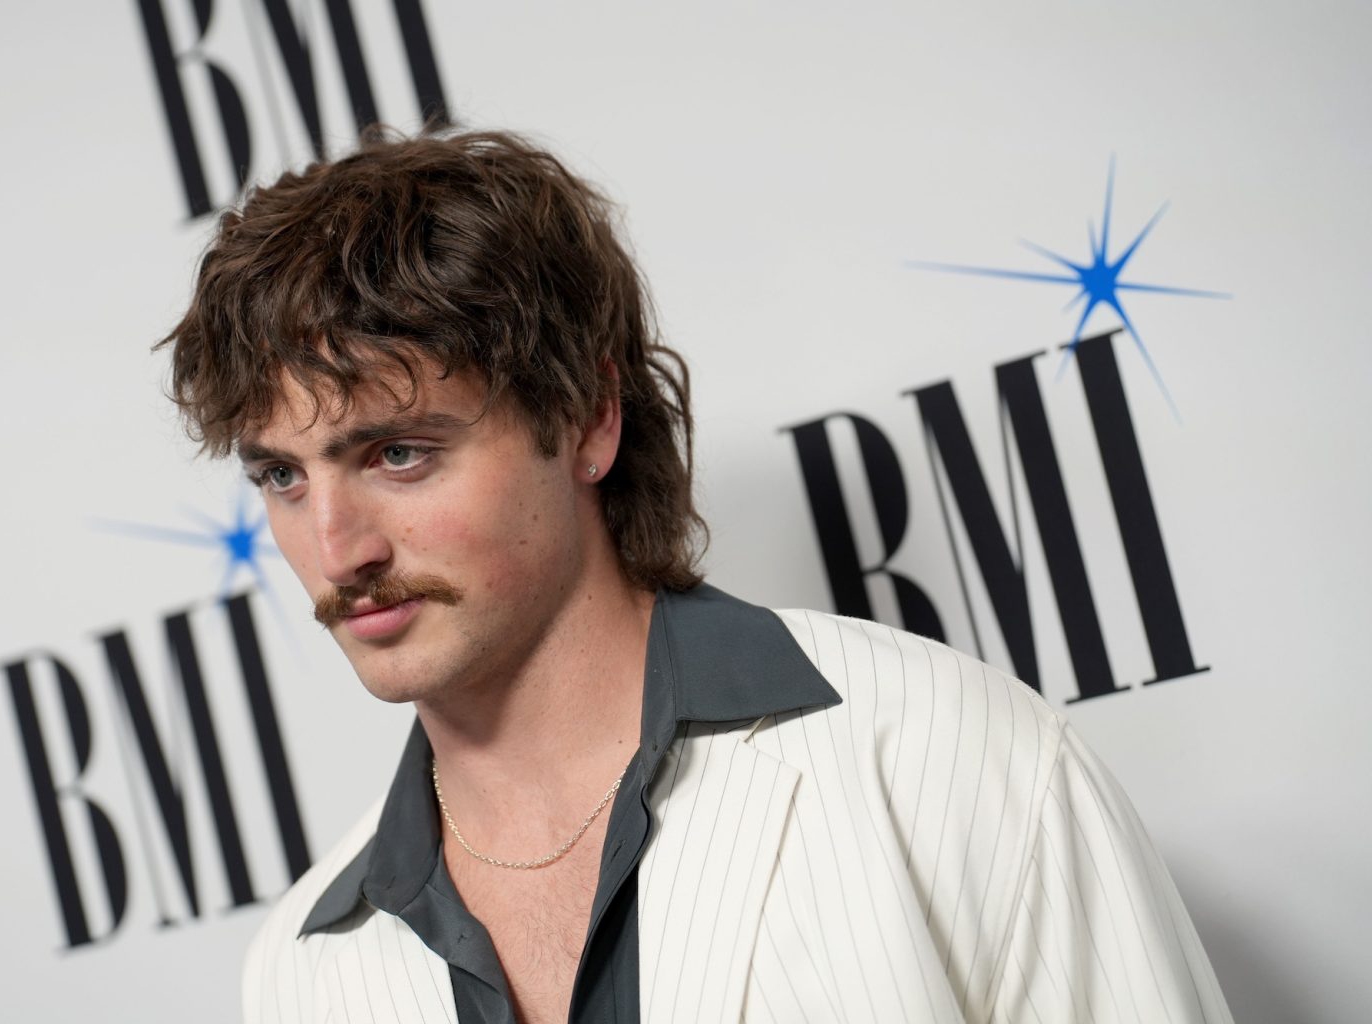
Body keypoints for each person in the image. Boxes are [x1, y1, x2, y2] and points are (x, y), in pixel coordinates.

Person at [159, 128, 1233, 1024]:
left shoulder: (950, 758)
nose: (339, 547)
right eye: (281, 477)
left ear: (587, 416)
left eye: (398, 452)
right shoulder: (302, 973)